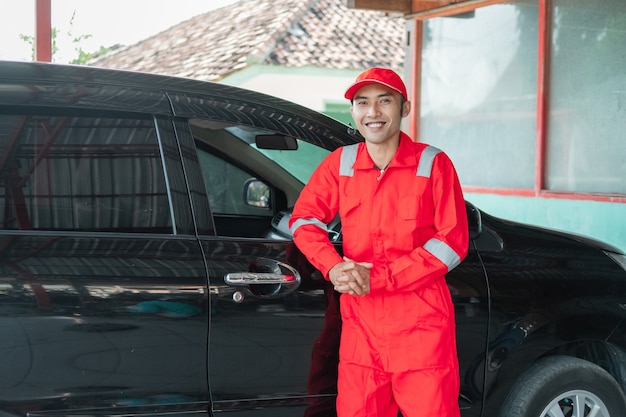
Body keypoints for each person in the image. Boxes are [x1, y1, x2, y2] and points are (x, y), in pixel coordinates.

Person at [289, 67, 469, 417]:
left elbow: (451, 241)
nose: (373, 112)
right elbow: (305, 219)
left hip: (421, 326)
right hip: (361, 329)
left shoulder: (433, 163)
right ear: (353, 111)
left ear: (404, 108)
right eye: (362, 103)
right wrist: (333, 266)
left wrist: (382, 278)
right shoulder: (340, 163)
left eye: (384, 101)